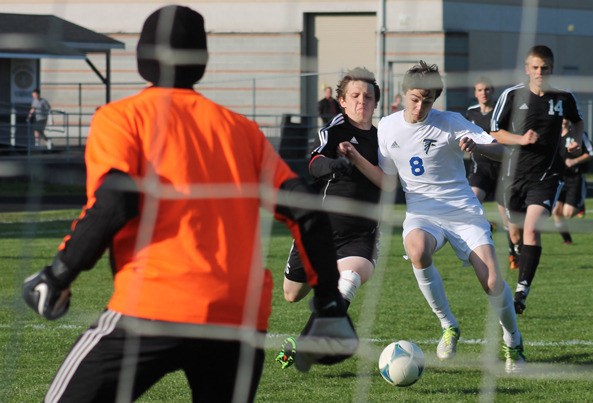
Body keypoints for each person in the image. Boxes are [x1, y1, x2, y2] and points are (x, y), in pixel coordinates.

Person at [21, 6, 357, 402]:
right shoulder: (241, 130)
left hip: (153, 303)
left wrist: (59, 274)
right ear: (202, 60)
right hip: (238, 317)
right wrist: (329, 303)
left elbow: (116, 201)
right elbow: (305, 210)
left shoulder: (121, 118)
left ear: (142, 56)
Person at [341, 61, 526, 374]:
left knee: (493, 281)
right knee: (417, 249)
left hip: (463, 211)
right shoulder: (387, 126)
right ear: (404, 94)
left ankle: (513, 340)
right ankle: (449, 325)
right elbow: (388, 180)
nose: (420, 107)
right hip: (422, 213)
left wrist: (478, 149)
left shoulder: (452, 122)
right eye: (415, 99)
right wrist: (356, 158)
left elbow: (503, 151)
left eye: (427, 100)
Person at [277, 67, 381, 370]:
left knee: (348, 280)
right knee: (291, 294)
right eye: (355, 96)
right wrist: (335, 166)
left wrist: (357, 162)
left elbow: (390, 182)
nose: (363, 101)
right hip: (321, 230)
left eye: (369, 96)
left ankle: (307, 343)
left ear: (376, 102)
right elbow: (314, 162)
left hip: (361, 235)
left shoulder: (385, 137)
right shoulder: (334, 130)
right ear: (343, 101)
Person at [491, 45, 584, 315]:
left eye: (544, 68)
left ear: (551, 69)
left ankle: (522, 291)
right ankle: (518, 252)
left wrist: (575, 142)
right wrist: (521, 139)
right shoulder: (511, 95)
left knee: (532, 228)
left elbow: (576, 122)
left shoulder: (564, 97)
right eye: (535, 67)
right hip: (513, 176)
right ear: (527, 69)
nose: (540, 72)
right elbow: (495, 131)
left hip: (546, 176)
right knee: (515, 229)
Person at [466, 76, 520, 270]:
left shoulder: (501, 111)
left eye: (487, 89)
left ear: (492, 91)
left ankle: (514, 249)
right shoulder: (470, 113)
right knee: (471, 202)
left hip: (502, 170)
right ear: (475, 92)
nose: (484, 93)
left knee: (508, 219)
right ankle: (479, 238)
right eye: (480, 90)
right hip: (480, 169)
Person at [553, 119, 593, 244]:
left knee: (567, 213)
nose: (563, 119)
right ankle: (567, 239)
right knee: (556, 211)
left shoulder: (578, 134)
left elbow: (592, 152)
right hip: (559, 178)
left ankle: (580, 205)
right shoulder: (553, 134)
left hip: (574, 178)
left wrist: (574, 161)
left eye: (566, 116)